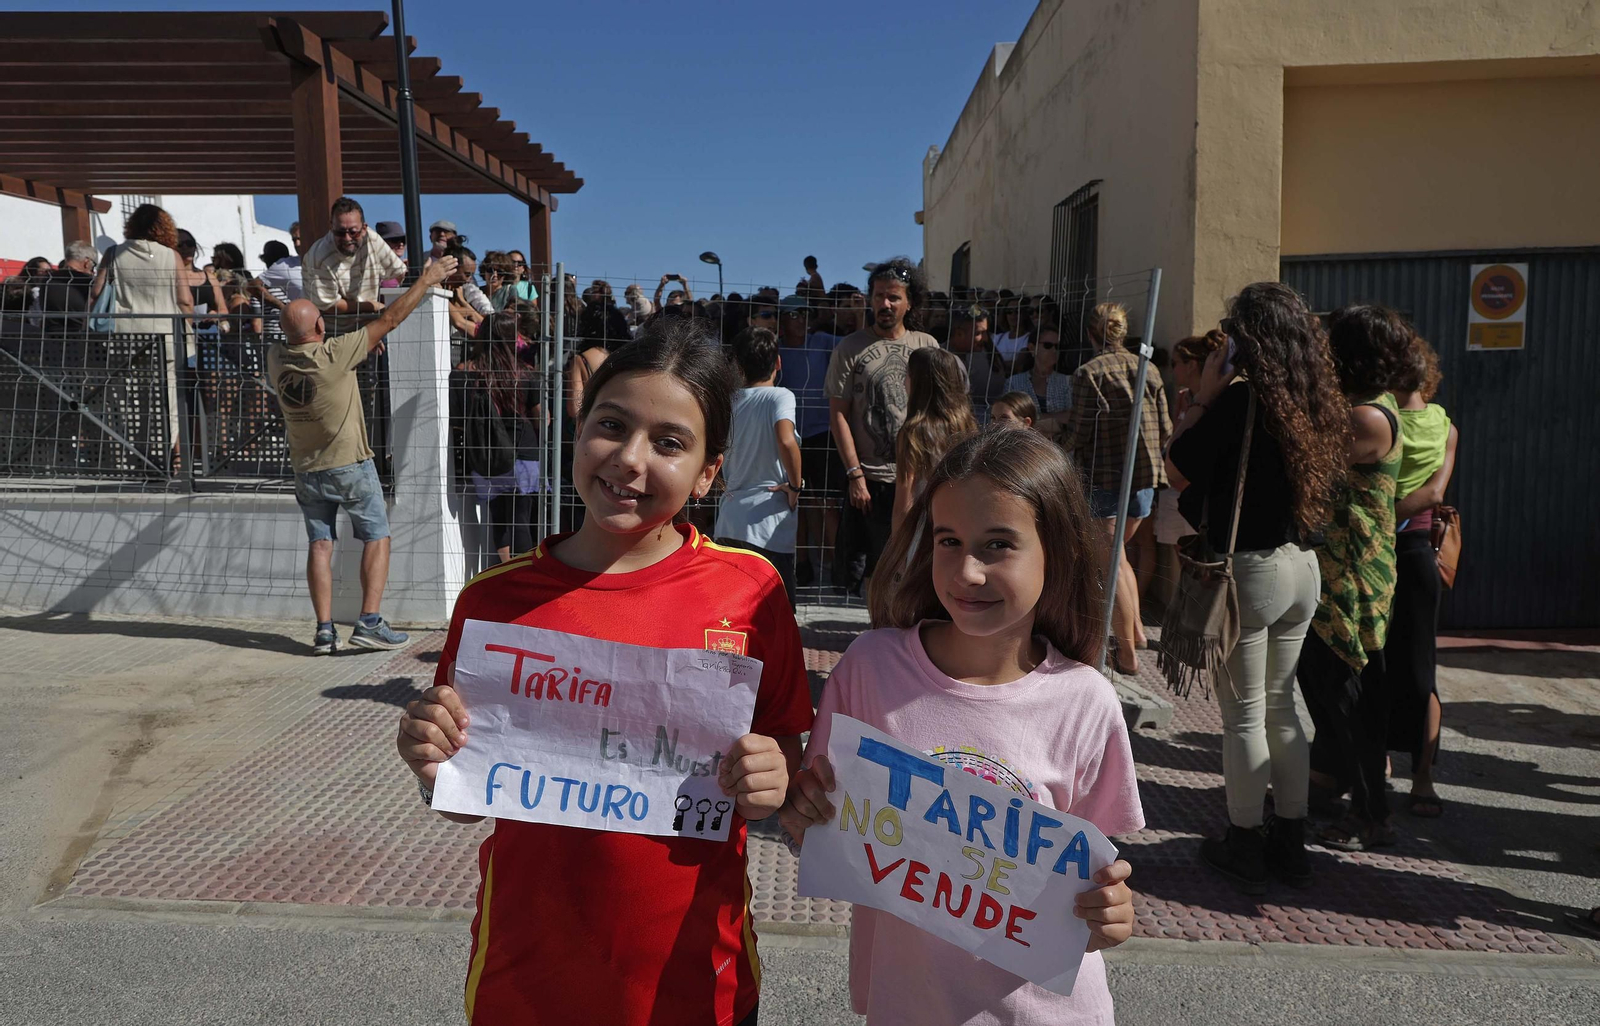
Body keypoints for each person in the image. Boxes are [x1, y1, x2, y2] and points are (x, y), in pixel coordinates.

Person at [395, 320, 813, 1026]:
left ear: (709, 472)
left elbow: (783, 761)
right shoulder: (494, 602)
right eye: (611, 426)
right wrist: (430, 759)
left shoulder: (752, 592)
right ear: (579, 430)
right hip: (526, 981)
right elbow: (464, 798)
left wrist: (772, 782)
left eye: (669, 443)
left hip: (696, 982)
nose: (629, 459)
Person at [781, 428, 1141, 1026]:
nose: (967, 571)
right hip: (907, 1008)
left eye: (998, 545)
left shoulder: (1086, 701)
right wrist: (802, 816)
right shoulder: (870, 668)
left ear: (1057, 552)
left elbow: (1095, 876)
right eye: (949, 540)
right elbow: (820, 821)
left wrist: (1111, 913)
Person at [1165, 283, 1350, 892]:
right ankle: (1290, 842)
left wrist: (1204, 396)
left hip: (1250, 570)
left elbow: (1177, 467)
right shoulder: (1313, 398)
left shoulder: (1243, 400)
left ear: (1247, 338)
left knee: (1244, 717)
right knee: (1282, 706)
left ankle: (1243, 842)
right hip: (1301, 567)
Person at [266, 254, 458, 654]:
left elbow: (300, 329)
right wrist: (427, 280)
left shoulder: (277, 358)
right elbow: (390, 319)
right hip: (349, 465)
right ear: (321, 327)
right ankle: (369, 621)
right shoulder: (335, 354)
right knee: (377, 536)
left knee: (320, 545)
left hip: (306, 469)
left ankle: (324, 631)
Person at [1299, 304, 1410, 852]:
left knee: (1350, 698)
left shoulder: (1368, 417)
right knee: (1325, 688)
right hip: (1338, 571)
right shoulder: (1360, 407)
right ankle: (1334, 788)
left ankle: (1372, 813)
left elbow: (1306, 460)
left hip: (1354, 579)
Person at [1066, 302, 1171, 675]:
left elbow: (1078, 433)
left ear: (1091, 334)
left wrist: (1051, 439)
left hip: (1105, 477)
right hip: (1145, 478)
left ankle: (1127, 655)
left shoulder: (1088, 373)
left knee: (1112, 563)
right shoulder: (1149, 368)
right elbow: (1166, 426)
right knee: (1119, 557)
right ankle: (1137, 632)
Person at [825, 258, 939, 595]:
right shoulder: (850, 348)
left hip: (919, 478)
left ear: (909, 302)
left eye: (893, 297)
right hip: (872, 481)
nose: (885, 304)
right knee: (876, 568)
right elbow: (838, 415)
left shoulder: (926, 346)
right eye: (878, 296)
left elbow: (940, 409)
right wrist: (855, 474)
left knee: (919, 564)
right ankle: (878, 626)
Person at [1386, 335, 1458, 819]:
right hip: (1418, 555)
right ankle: (1424, 778)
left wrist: (1377, 520)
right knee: (1421, 670)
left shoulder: (1376, 420)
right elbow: (1435, 493)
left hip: (1379, 554)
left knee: (1374, 666)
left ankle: (1379, 762)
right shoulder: (1445, 425)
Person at [90, 204, 195, 469]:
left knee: (128, 400)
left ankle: (131, 457)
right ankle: (164, 458)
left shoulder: (114, 253)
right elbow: (185, 300)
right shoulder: (171, 256)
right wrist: (188, 327)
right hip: (166, 337)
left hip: (125, 338)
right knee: (166, 400)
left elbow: (96, 292)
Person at [714, 327, 804, 605]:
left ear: (737, 365)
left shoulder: (728, 402)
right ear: (778, 362)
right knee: (777, 614)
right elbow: (786, 440)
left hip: (729, 522)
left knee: (733, 611)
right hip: (768, 523)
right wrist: (795, 486)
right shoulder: (780, 396)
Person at [452, 310, 543, 565]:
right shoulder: (525, 373)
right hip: (523, 454)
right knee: (521, 520)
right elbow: (541, 418)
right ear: (512, 337)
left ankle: (504, 572)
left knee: (498, 519)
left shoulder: (465, 372)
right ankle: (524, 575)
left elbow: (458, 419)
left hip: (487, 454)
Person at [890, 347, 976, 532]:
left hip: (926, 527)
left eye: (907, 374)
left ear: (918, 382)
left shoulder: (913, 432)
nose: (904, 381)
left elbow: (904, 500)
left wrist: (897, 542)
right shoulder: (967, 424)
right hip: (962, 522)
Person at [302, 197, 407, 326]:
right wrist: (371, 306)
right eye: (340, 232)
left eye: (353, 232)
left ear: (364, 228)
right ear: (331, 227)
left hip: (370, 325)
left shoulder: (372, 240)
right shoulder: (320, 256)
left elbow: (400, 273)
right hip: (331, 330)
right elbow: (329, 305)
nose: (347, 238)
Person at [1006, 321, 1073, 435]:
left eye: (1058, 346)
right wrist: (1055, 420)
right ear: (1032, 348)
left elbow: (1070, 418)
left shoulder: (1067, 381)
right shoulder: (1014, 382)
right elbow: (1009, 419)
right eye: (1048, 345)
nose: (1054, 350)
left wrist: (1028, 422)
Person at [947, 303, 1006, 422]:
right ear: (959, 333)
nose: (985, 338)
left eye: (985, 333)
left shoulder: (987, 356)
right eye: (978, 333)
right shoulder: (941, 358)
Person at [36, 241, 98, 336]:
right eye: (93, 265)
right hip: (82, 336)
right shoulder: (89, 282)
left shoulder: (48, 280)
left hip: (51, 335)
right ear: (87, 262)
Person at [373, 221, 407, 289]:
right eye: (395, 240)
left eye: (403, 240)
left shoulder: (406, 268)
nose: (401, 244)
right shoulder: (375, 269)